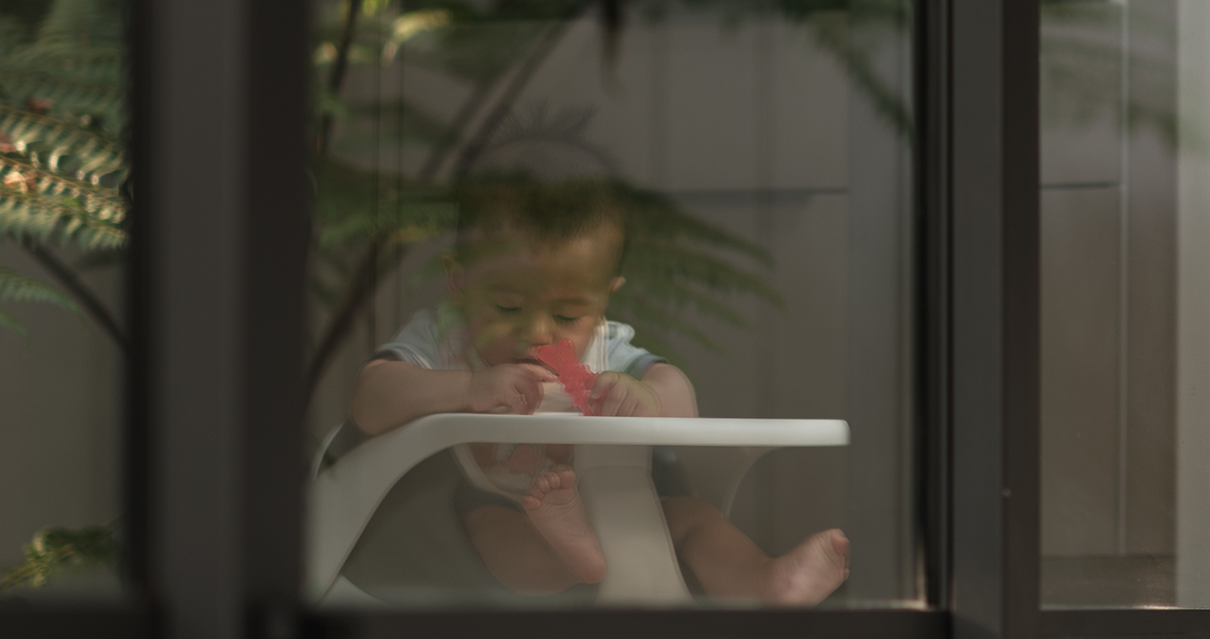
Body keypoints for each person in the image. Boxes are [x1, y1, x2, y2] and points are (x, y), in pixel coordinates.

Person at [344, 168, 850, 604]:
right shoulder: (445, 340)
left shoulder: (606, 351)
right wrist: (465, 387)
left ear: (605, 298)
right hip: (495, 501)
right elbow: (372, 398)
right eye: (507, 306)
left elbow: (681, 400)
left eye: (567, 314)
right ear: (459, 284)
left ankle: (766, 581)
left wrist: (648, 396)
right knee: (492, 533)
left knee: (691, 518)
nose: (538, 332)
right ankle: (567, 559)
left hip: (608, 500)